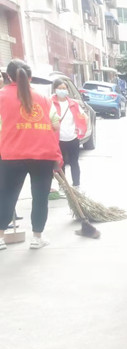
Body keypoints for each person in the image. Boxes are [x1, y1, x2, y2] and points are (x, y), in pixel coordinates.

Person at [0, 59, 61, 251]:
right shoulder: (44, 97)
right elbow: (55, 124)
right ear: (31, 77)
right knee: (40, 197)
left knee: (7, 197)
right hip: (43, 155)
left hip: (12, 155)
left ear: (8, 76)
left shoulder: (1, 96)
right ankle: (36, 238)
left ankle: (0, 238)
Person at [52, 79, 88, 189]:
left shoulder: (73, 104)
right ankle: (63, 186)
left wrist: (80, 129)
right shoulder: (50, 103)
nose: (62, 91)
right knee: (60, 164)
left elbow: (84, 117)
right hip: (58, 139)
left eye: (64, 88)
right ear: (55, 89)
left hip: (72, 138)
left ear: (67, 90)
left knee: (74, 162)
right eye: (60, 88)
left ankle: (76, 185)